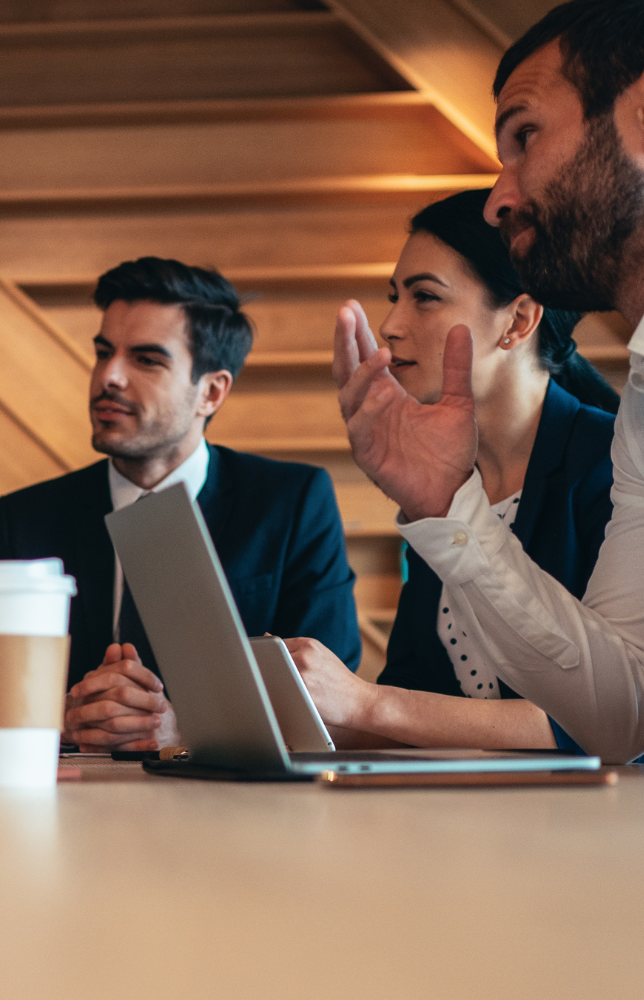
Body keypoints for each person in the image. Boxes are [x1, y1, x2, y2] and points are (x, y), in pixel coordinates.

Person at [331, 0, 644, 763]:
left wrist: (372, 705)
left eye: (524, 135)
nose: (501, 196)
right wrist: (446, 507)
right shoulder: (640, 401)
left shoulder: (600, 447)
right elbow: (625, 713)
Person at [0, 257, 361, 752]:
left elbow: (331, 701)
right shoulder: (27, 518)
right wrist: (66, 719)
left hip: (242, 811)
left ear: (210, 391)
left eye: (146, 359)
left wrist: (185, 729)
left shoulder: (291, 503)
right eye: (103, 352)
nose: (109, 377)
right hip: (72, 805)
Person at [287, 189, 615, 751]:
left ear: (518, 320)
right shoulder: (446, 479)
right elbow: (417, 698)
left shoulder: (613, 465)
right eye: (395, 296)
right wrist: (207, 721)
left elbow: (617, 713)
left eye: (426, 298)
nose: (389, 325)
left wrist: (368, 702)